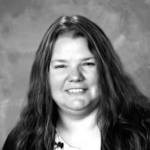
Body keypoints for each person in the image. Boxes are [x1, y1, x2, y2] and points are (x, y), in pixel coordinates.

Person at [2, 15, 150, 150]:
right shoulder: (20, 143)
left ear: (106, 71)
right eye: (61, 66)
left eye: (87, 64)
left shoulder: (144, 136)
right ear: (45, 76)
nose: (75, 76)